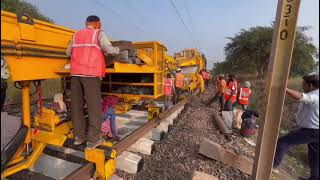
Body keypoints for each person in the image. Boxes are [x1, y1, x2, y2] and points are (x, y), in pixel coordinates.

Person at [66, 15, 120, 149]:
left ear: (86, 23)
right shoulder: (98, 33)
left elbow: (68, 53)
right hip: (91, 74)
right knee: (94, 108)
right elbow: (108, 49)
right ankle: (94, 139)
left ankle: (79, 137)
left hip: (75, 75)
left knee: (77, 107)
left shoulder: (76, 34)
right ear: (98, 23)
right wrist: (118, 50)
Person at [273, 74, 319, 180]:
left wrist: (283, 88)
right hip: (315, 131)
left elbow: (301, 96)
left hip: (312, 131)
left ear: (310, 85)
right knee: (315, 158)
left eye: (304, 84)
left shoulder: (315, 97)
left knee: (283, 142)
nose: (302, 86)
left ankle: (272, 167)